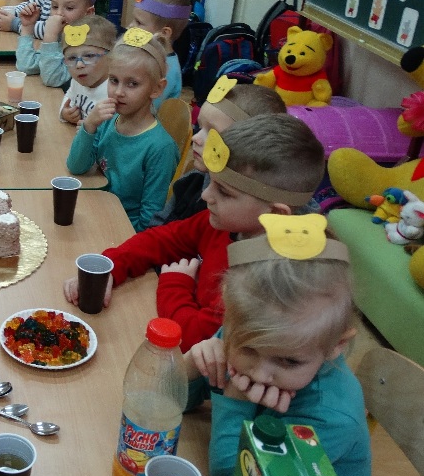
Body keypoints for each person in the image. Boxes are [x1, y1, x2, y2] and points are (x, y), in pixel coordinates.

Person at [185, 215, 370, 476]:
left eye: (288, 362)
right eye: (248, 350)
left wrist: (236, 396)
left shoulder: (331, 416)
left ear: (336, 346)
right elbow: (176, 402)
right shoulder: (254, 333)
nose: (261, 373)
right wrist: (193, 363)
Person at [63, 113, 326, 351]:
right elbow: (161, 239)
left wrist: (176, 283)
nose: (205, 195)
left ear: (276, 215)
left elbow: (191, 339)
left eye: (224, 192)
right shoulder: (225, 224)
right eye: (211, 182)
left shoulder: (264, 280)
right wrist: (112, 266)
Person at [65, 30, 179, 231]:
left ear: (157, 89)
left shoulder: (161, 148)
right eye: (113, 80)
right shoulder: (110, 119)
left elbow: (149, 222)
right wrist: (89, 125)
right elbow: (76, 166)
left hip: (122, 229)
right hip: (95, 209)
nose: (118, 92)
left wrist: (113, 229)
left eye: (132, 84)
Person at [147, 76, 286, 227]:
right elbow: (158, 224)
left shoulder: (244, 212)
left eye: (213, 133)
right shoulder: (191, 181)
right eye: (200, 127)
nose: (195, 138)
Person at [15, 0, 99, 89]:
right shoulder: (62, 36)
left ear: (88, 13)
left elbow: (52, 78)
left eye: (69, 8)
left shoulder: (88, 46)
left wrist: (50, 37)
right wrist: (27, 28)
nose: (59, 13)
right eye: (54, 6)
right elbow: (27, 66)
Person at [128, 0, 191, 109]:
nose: (130, 26)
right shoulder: (147, 55)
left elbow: (142, 108)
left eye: (139, 22)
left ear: (164, 33)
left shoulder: (167, 70)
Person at [58, 15, 118, 124]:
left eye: (89, 56)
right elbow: (69, 96)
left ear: (111, 56)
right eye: (72, 58)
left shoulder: (115, 91)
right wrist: (65, 112)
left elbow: (118, 128)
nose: (79, 65)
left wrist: (91, 129)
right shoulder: (77, 81)